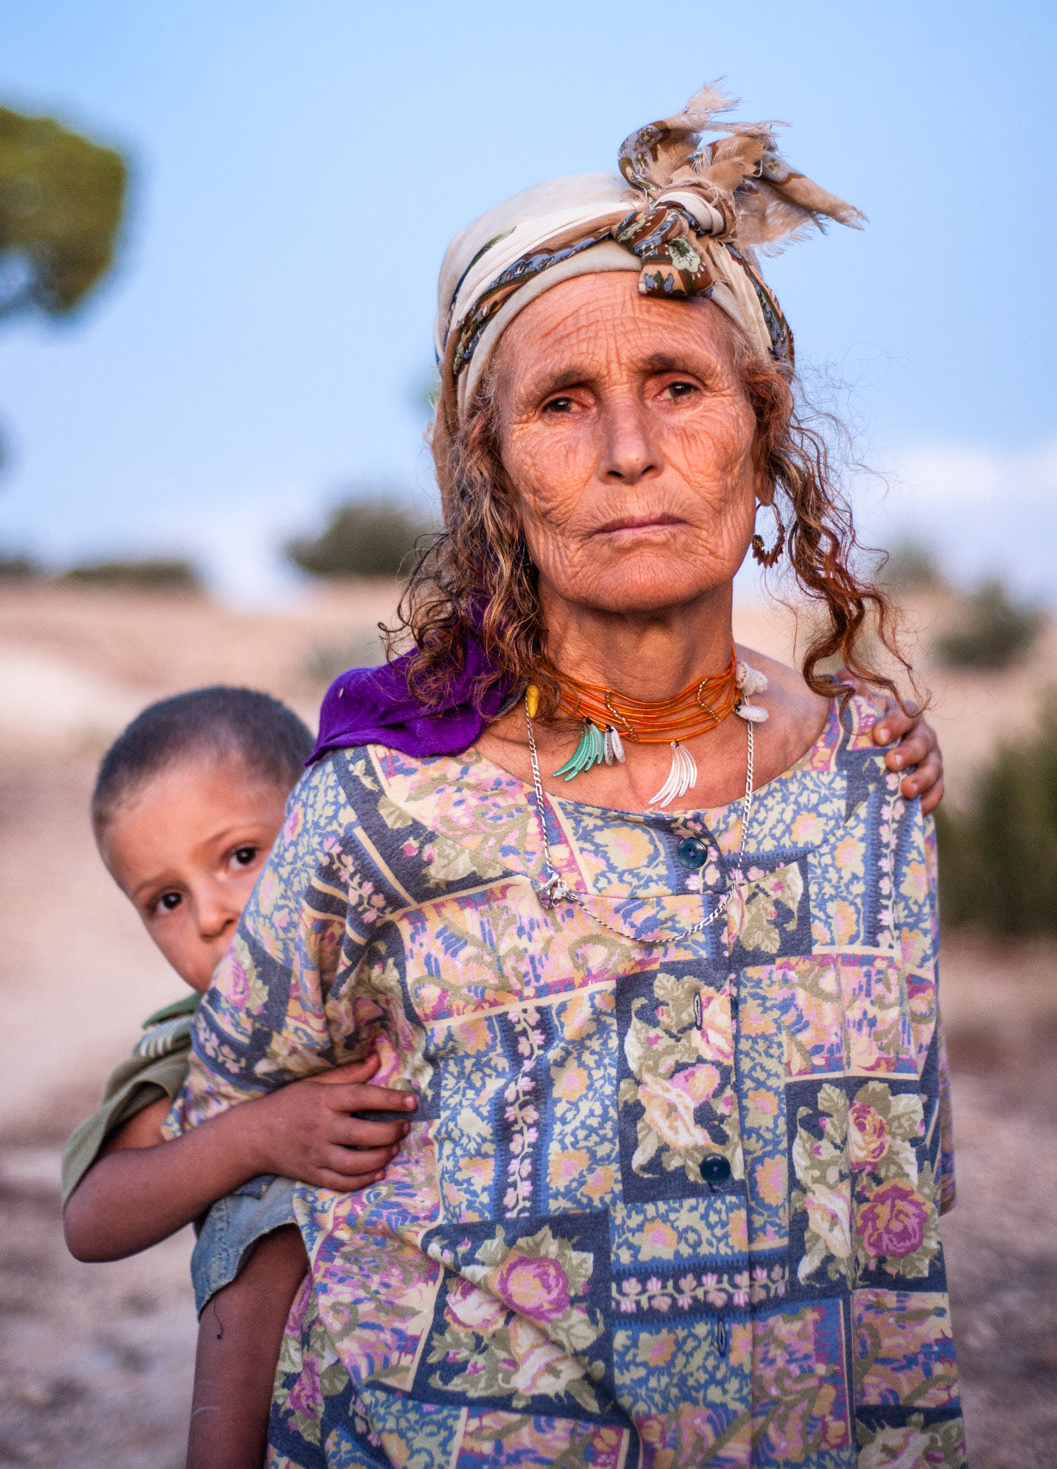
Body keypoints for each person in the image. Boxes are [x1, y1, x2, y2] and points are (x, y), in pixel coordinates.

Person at [172, 85, 961, 1467]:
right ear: (490, 472)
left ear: (762, 437)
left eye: (679, 386)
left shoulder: (871, 788)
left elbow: (903, 1186)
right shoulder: (383, 808)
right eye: (561, 402)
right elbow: (236, 1166)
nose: (630, 453)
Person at [61, 686, 417, 1469]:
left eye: (240, 857)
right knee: (258, 1219)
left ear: (319, 833)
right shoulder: (197, 1044)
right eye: (166, 900)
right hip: (281, 1365)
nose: (209, 916)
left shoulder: (413, 969)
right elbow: (91, 1220)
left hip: (429, 1333)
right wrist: (252, 1136)